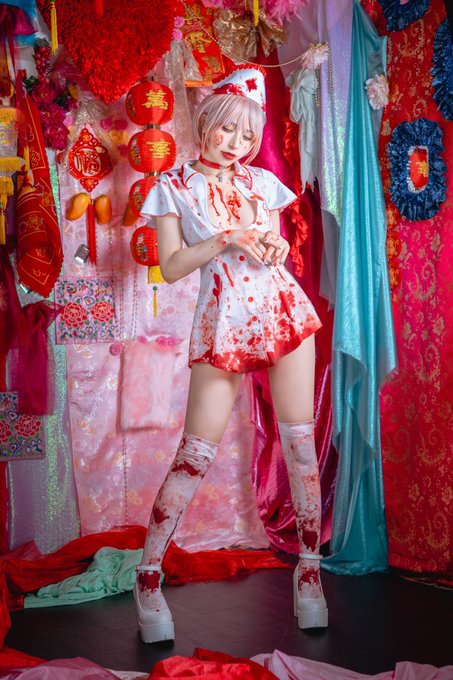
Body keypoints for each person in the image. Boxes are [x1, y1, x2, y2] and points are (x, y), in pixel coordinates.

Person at [138, 65, 327, 644]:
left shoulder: (262, 183)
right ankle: (147, 579)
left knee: (301, 445)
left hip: (283, 312)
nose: (237, 144)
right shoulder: (172, 185)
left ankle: (310, 574)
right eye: (228, 130)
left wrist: (273, 244)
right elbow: (172, 267)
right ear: (206, 122)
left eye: (248, 135)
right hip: (223, 323)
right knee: (195, 454)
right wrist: (226, 237)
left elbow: (273, 248)